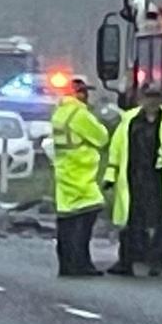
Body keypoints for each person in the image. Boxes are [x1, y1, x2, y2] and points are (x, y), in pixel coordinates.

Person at [103, 84, 162, 277]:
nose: (152, 101)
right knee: (130, 222)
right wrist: (110, 176)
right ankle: (126, 262)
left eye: (156, 97)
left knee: (160, 223)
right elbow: (116, 150)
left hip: (161, 180)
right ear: (142, 98)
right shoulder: (129, 121)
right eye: (149, 97)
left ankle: (156, 261)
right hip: (133, 179)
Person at [50, 78, 110, 276]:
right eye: (85, 93)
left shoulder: (59, 113)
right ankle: (81, 264)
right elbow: (102, 137)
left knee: (66, 223)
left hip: (65, 174)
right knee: (84, 222)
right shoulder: (79, 114)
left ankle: (67, 264)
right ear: (80, 94)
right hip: (82, 175)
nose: (87, 97)